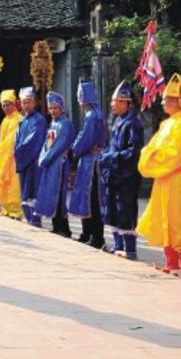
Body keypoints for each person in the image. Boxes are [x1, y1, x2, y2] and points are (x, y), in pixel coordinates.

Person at [137, 73, 181, 280]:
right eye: (164, 99)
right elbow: (155, 147)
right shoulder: (168, 123)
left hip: (179, 177)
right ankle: (171, 263)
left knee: (179, 220)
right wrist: (149, 155)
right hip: (164, 176)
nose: (163, 102)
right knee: (164, 217)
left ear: (179, 100)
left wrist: (151, 157)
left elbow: (175, 153)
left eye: (167, 99)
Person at [99, 81, 144, 260]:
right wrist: (105, 155)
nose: (112, 104)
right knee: (112, 209)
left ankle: (130, 249)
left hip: (126, 174)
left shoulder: (134, 123)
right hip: (113, 173)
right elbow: (112, 145)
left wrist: (111, 157)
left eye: (116, 101)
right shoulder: (119, 120)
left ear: (126, 103)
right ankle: (118, 246)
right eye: (112, 101)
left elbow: (133, 151)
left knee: (125, 209)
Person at [69, 79, 107, 248]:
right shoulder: (95, 114)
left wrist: (74, 148)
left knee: (91, 198)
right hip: (90, 158)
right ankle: (88, 233)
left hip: (91, 160)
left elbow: (85, 138)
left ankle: (95, 236)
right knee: (87, 197)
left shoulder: (92, 116)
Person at [34, 91, 74, 237]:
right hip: (50, 164)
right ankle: (56, 226)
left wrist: (45, 159)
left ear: (61, 108)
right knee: (50, 194)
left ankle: (64, 228)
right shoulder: (52, 124)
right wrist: (42, 156)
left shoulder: (66, 124)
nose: (52, 111)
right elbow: (46, 144)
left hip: (59, 164)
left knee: (59, 195)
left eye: (55, 108)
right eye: (50, 108)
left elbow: (59, 146)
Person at [14, 87, 47, 226]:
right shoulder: (23, 120)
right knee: (25, 191)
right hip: (23, 160)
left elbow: (33, 142)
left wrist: (19, 151)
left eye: (28, 102)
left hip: (33, 161)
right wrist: (17, 150)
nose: (26, 105)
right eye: (23, 102)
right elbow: (17, 139)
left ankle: (35, 219)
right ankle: (28, 218)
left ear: (34, 102)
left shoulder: (39, 120)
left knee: (33, 189)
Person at [0, 90, 23, 219]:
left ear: (14, 104)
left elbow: (15, 140)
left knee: (13, 183)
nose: (6, 108)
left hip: (13, 157)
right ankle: (6, 208)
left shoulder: (19, 119)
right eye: (3, 105)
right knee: (3, 181)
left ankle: (16, 210)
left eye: (8, 104)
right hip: (2, 156)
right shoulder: (5, 120)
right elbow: (1, 140)